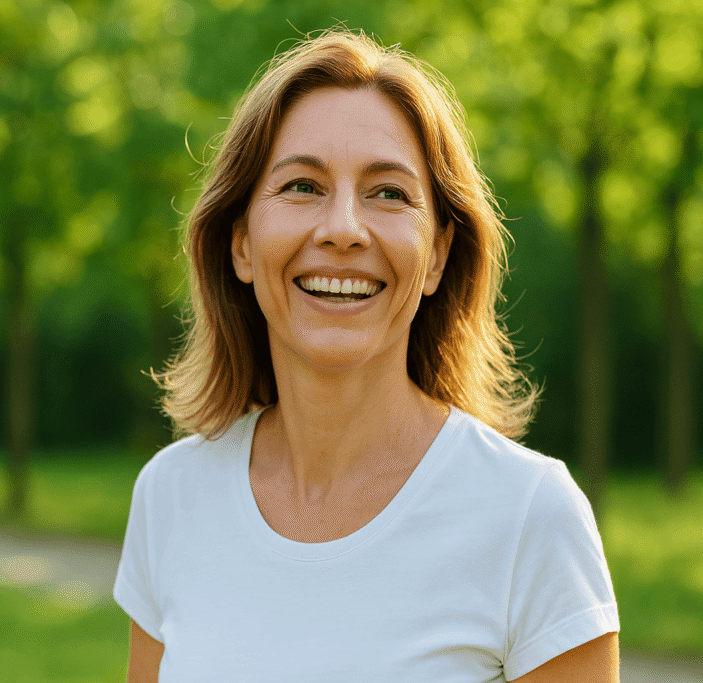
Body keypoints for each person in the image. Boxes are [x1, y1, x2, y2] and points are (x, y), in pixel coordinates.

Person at [114, 29, 620, 683]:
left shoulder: (531, 516)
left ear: (437, 254)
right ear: (240, 243)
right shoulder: (170, 497)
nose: (344, 229)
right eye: (302, 186)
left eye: (388, 193)